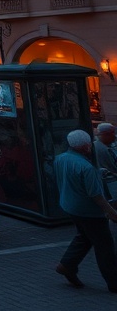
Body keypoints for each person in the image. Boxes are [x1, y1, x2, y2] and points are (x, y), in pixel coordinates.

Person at [53, 129, 117, 292]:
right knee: (105, 246)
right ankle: (113, 282)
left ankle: (67, 264)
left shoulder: (60, 159)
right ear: (85, 146)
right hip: (89, 212)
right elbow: (96, 195)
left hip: (70, 206)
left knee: (85, 236)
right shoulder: (87, 168)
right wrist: (111, 212)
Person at [93, 123, 117, 201]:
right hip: (110, 183)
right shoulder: (100, 149)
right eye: (113, 133)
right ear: (105, 134)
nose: (115, 136)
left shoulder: (107, 145)